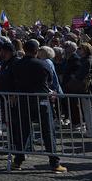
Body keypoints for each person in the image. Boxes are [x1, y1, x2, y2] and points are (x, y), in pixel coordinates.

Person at [9, 39, 66, 173]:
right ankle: (54, 163)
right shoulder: (42, 64)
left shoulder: (17, 64)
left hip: (23, 100)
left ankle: (18, 161)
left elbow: (13, 80)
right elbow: (49, 81)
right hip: (42, 101)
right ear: (36, 50)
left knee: (23, 132)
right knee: (48, 132)